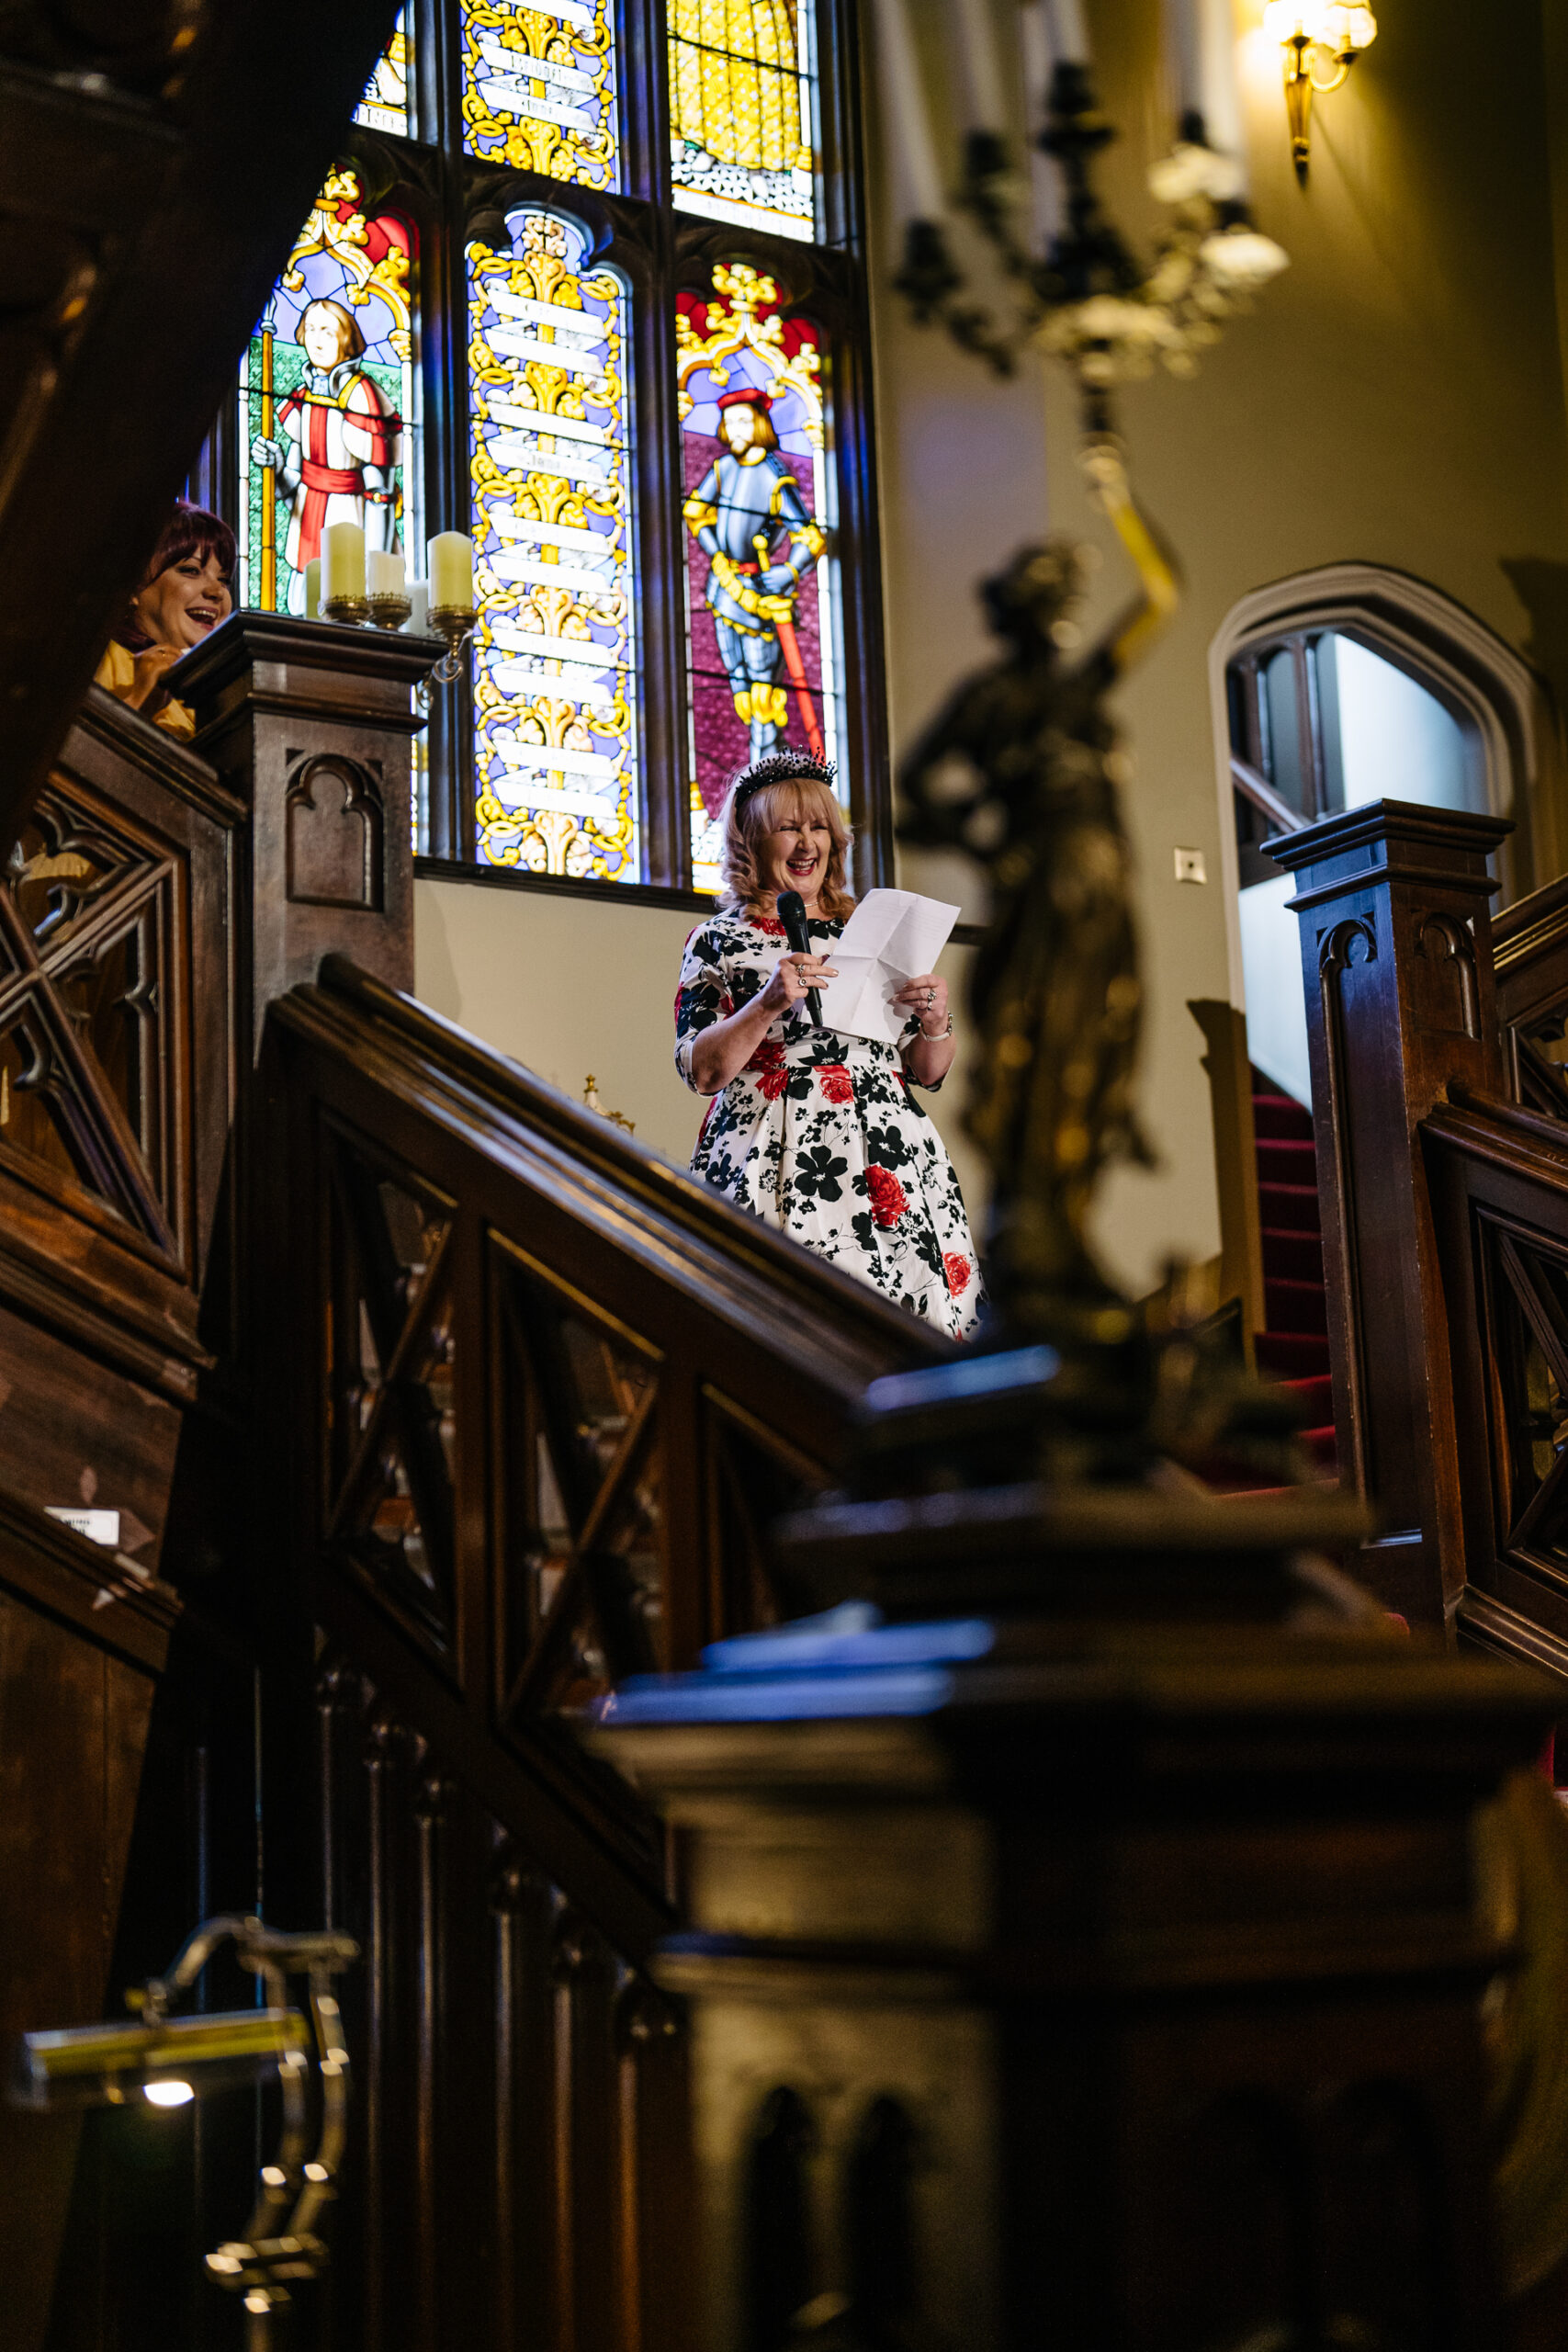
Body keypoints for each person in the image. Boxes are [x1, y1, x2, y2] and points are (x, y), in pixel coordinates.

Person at [674, 749, 984, 1339]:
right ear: (751, 841)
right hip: (773, 1145)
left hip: (888, 1151)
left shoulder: (869, 930)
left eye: (819, 827)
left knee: (908, 1338)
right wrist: (766, 1002)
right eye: (788, 827)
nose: (807, 843)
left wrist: (937, 1021)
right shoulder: (718, 940)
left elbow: (925, 1071)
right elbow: (702, 1071)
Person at [682, 387, 826, 762]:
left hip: (760, 596)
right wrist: (716, 553)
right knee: (739, 683)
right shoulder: (724, 468)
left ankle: (764, 767)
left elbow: (809, 536)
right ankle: (754, 765)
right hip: (724, 589)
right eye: (730, 422)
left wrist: (789, 573)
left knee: (763, 689)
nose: (736, 428)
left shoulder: (772, 474)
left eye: (744, 420)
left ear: (760, 424)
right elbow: (696, 512)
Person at [249, 297, 400, 612]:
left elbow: (380, 486)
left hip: (351, 518)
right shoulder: (303, 397)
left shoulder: (362, 395)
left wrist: (376, 557)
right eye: (312, 330)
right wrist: (277, 469)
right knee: (301, 606)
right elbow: (294, 478)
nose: (316, 341)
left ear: (346, 340)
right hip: (308, 517)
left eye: (328, 333)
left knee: (351, 607)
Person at [92, 500, 234, 738]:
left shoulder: (223, 692)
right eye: (191, 570)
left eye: (224, 579)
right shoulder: (97, 657)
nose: (217, 591)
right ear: (133, 587)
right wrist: (139, 700)